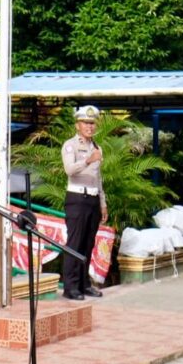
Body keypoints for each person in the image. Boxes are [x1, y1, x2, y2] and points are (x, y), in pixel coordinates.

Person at [61, 104, 107, 300]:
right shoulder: (70, 145)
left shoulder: (97, 147)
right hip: (77, 198)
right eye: (85, 123)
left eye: (92, 123)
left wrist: (102, 203)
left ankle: (84, 283)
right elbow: (69, 170)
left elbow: (98, 178)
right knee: (75, 243)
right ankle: (70, 287)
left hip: (93, 198)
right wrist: (88, 160)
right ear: (77, 125)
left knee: (88, 244)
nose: (89, 127)